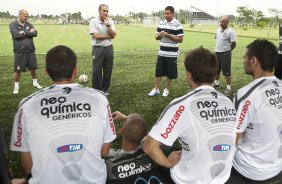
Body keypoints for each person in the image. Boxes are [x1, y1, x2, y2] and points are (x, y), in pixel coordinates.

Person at [10, 45, 116, 183]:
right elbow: (104, 152)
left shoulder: (27, 105)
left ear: (46, 72)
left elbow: (28, 167)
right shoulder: (100, 99)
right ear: (75, 71)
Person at [144, 47, 237, 183]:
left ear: (189, 75)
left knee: (161, 150)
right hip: (222, 177)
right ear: (214, 73)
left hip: (189, 180)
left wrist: (169, 163)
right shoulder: (227, 101)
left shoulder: (181, 105)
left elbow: (149, 146)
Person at [226, 39, 282, 183]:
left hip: (249, 169)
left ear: (254, 61)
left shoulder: (246, 95)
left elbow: (232, 138)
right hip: (277, 165)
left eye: (245, 57)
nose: (243, 61)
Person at [105, 112, 167, 184]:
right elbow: (144, 132)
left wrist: (126, 119)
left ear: (122, 130)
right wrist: (126, 118)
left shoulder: (108, 158)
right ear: (145, 134)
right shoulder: (154, 151)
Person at [148, 6, 184, 97]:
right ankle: (156, 89)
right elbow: (156, 38)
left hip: (172, 54)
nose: (166, 15)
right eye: (165, 13)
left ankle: (167, 89)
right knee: (158, 72)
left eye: (168, 13)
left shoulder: (177, 24)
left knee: (169, 73)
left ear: (173, 13)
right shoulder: (161, 23)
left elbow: (180, 39)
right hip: (161, 53)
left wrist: (168, 35)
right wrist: (160, 35)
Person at [9, 9, 42, 94]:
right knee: (18, 70)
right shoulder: (13, 24)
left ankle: (35, 82)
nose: (27, 18)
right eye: (25, 16)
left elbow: (35, 33)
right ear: (20, 15)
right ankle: (16, 86)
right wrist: (28, 32)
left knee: (33, 68)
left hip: (30, 50)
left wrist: (23, 32)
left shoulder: (28, 24)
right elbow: (16, 35)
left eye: (28, 16)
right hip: (19, 51)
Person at [89, 4, 116, 95]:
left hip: (109, 48)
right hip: (97, 48)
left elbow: (114, 35)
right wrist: (108, 36)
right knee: (96, 71)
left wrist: (108, 26)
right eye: (104, 11)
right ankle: (97, 91)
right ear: (99, 11)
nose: (106, 13)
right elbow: (96, 36)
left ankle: (105, 90)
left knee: (108, 70)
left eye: (107, 11)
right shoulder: (93, 21)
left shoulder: (110, 22)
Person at [213, 15, 236, 97]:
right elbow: (217, 40)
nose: (221, 23)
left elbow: (233, 44)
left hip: (225, 53)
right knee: (216, 70)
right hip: (217, 53)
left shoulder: (231, 32)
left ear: (227, 23)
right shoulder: (217, 30)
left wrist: (227, 51)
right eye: (220, 21)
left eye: (223, 22)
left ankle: (228, 88)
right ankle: (216, 83)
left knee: (227, 72)